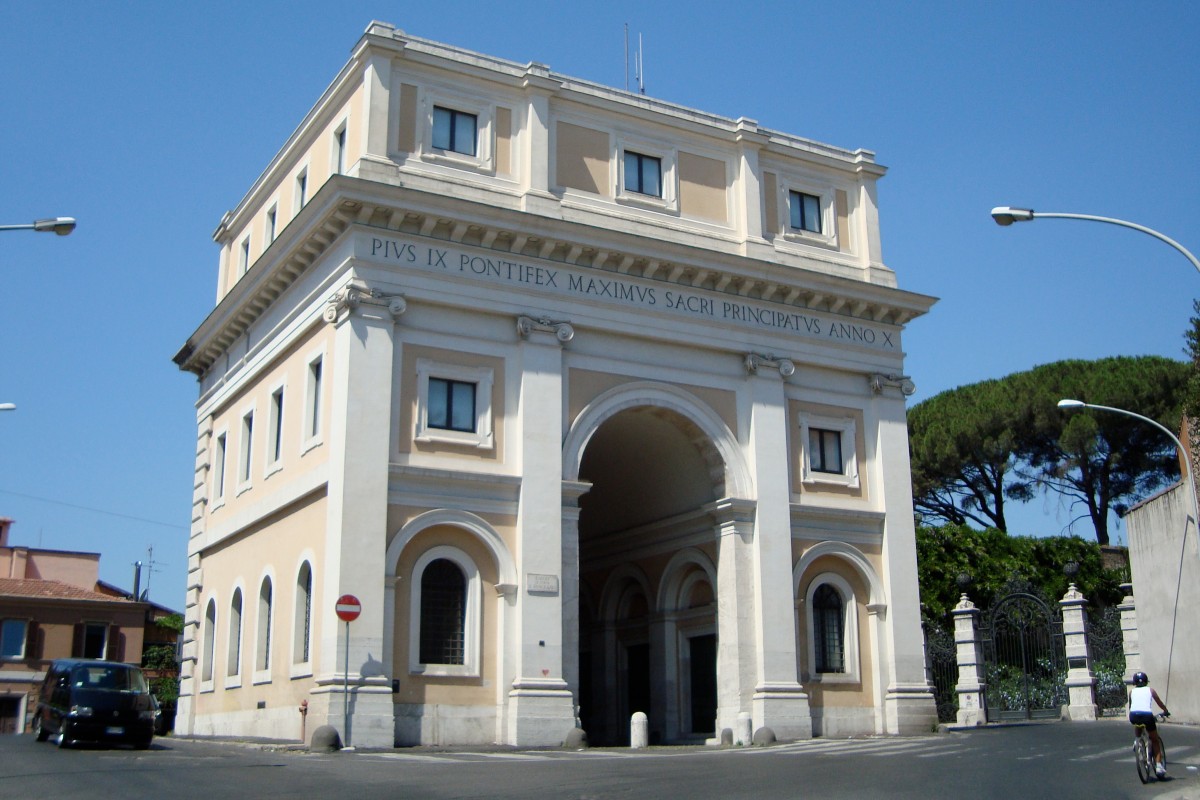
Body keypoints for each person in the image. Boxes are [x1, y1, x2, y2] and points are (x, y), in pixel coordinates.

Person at [1128, 671, 1170, 778]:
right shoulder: (1150, 690)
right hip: (1147, 716)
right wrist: (1165, 710)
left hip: (1133, 715)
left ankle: (1136, 741)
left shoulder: (1131, 692)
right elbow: (1159, 702)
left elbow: (1132, 706)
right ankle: (1159, 766)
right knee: (1155, 739)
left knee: (1138, 724)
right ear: (1146, 681)